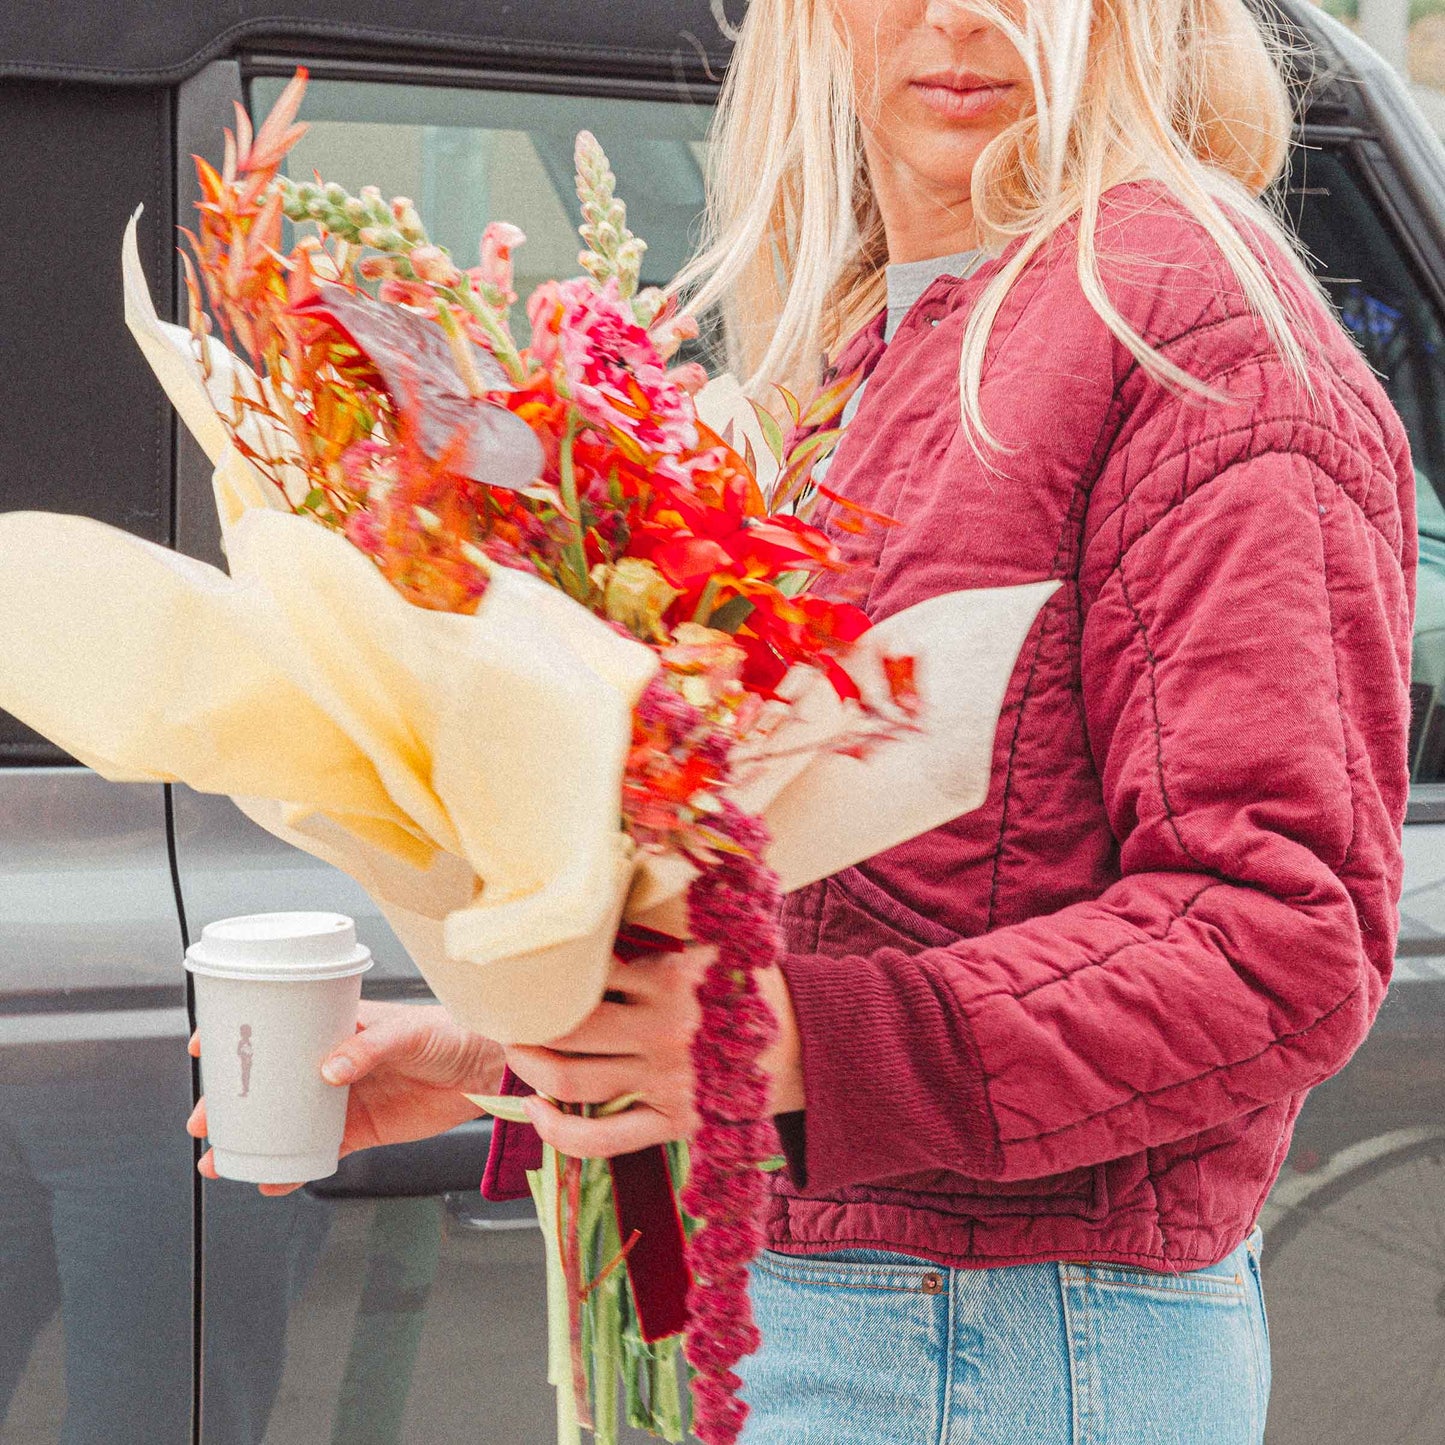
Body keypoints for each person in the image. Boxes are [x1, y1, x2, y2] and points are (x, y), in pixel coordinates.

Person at [189, 1, 1417, 1439]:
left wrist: (771, 1038)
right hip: (870, 1321)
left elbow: (1279, 934)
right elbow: (870, 917)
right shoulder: (902, 332)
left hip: (992, 1338)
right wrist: (527, 1060)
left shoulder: (1190, 334)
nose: (958, 17)